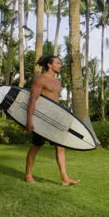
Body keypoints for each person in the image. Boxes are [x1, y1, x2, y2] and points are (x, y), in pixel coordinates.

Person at [24, 55, 80, 185]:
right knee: (36, 146)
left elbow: (56, 102)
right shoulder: (40, 80)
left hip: (55, 118)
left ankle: (65, 178)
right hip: (42, 118)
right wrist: (29, 120)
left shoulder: (58, 82)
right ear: (50, 65)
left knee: (60, 147)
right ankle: (28, 175)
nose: (60, 65)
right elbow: (32, 100)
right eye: (58, 63)